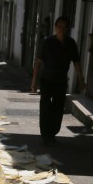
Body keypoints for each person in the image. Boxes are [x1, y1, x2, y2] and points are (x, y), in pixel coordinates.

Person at [30, 16, 84, 146]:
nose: (61, 29)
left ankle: (52, 133)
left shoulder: (71, 44)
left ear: (68, 29)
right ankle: (45, 135)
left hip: (60, 81)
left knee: (58, 108)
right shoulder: (48, 42)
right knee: (45, 107)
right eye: (59, 26)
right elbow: (38, 62)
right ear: (55, 28)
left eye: (64, 27)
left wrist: (81, 79)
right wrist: (34, 82)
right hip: (46, 80)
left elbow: (76, 62)